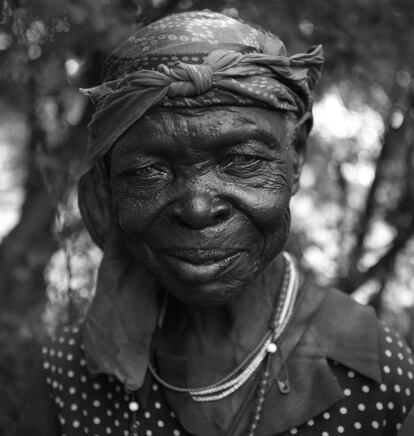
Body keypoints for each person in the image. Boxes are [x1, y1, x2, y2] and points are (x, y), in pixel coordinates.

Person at [16, 10, 414, 436]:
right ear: (108, 184)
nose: (198, 209)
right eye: (149, 170)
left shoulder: (374, 371)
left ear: (295, 156)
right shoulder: (66, 376)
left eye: (242, 160)